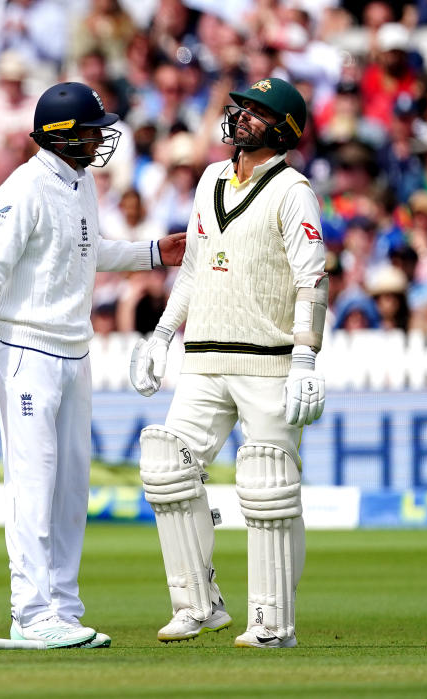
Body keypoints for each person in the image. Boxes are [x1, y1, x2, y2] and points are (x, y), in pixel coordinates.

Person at [0, 82, 185, 650]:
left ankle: (63, 607)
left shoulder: (80, 181)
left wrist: (154, 252)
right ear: (63, 135)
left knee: (71, 486)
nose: (102, 137)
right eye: (93, 128)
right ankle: (30, 612)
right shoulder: (22, 189)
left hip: (75, 350)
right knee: (34, 482)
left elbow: (87, 249)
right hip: (26, 350)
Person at [129, 77, 326, 649]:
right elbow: (192, 267)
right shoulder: (211, 178)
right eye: (242, 107)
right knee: (167, 465)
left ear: (284, 129)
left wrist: (305, 359)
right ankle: (197, 603)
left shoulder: (293, 190)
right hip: (203, 358)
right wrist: (162, 335)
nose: (242, 118)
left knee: (269, 486)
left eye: (258, 114)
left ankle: (273, 622)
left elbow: (312, 278)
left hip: (268, 361)